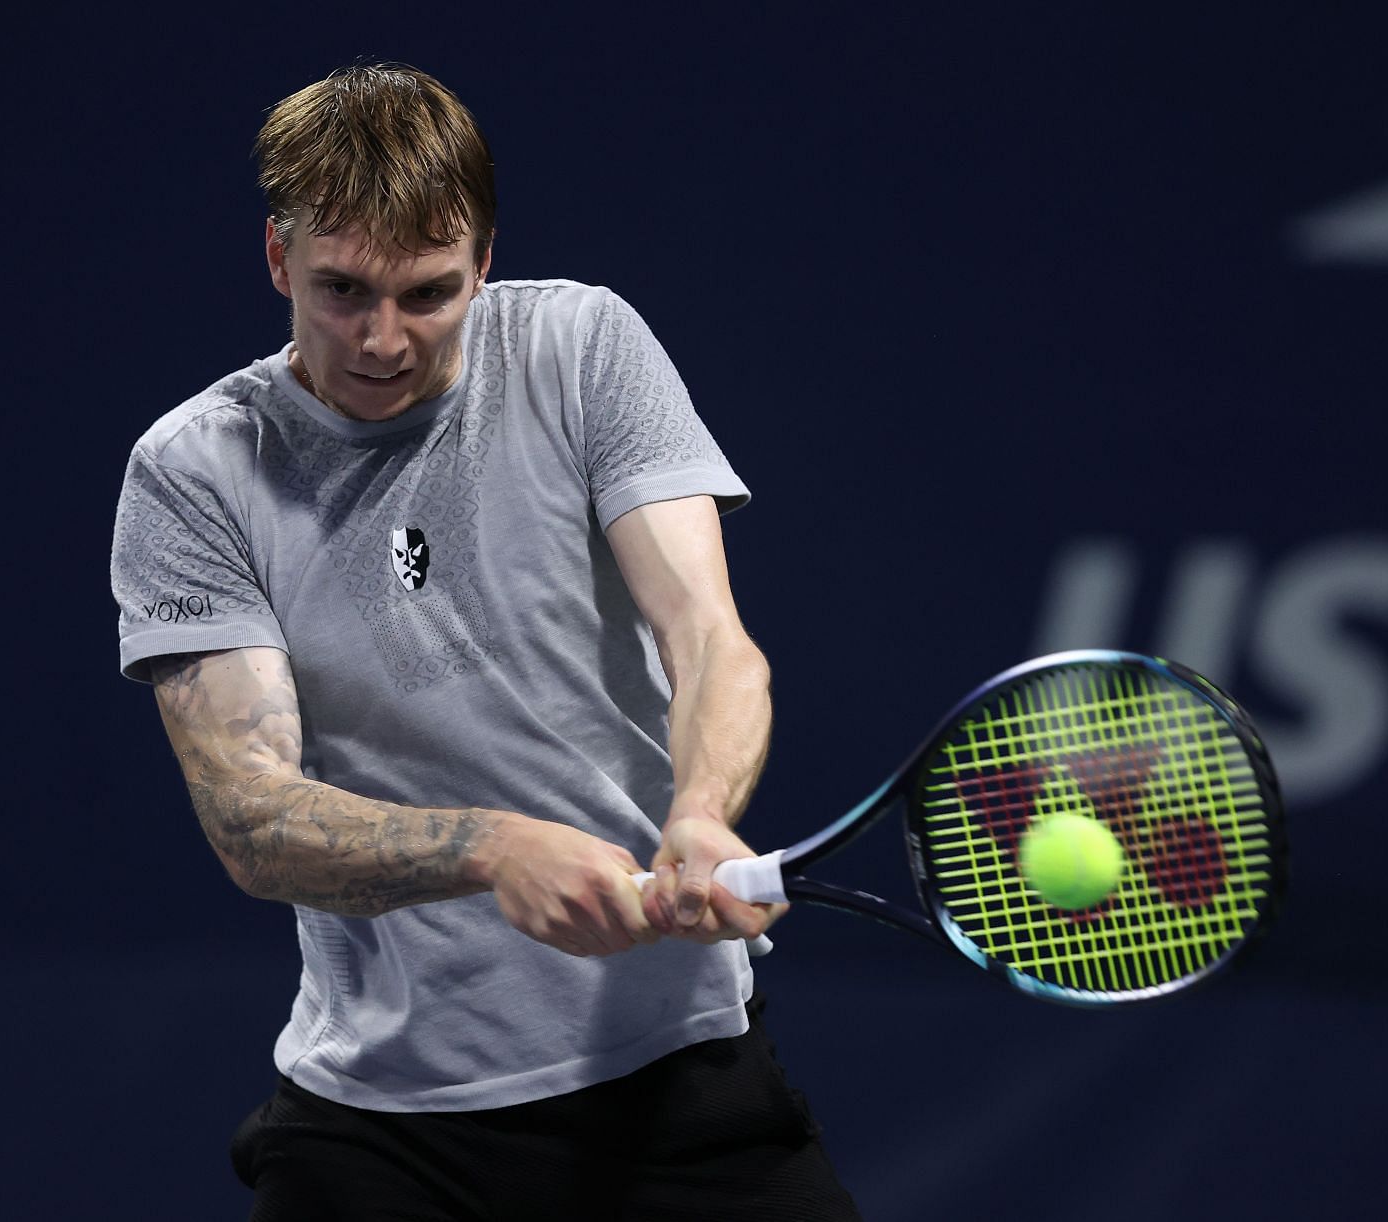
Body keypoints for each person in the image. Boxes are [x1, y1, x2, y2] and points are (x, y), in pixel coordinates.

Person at [110, 63, 861, 1220]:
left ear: (485, 264)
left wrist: (702, 810)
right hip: (384, 1136)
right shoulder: (196, 470)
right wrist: (495, 848)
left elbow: (710, 637)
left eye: (428, 293)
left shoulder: (584, 348)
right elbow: (252, 819)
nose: (382, 338)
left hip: (680, 1089)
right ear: (277, 261)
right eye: (341, 289)